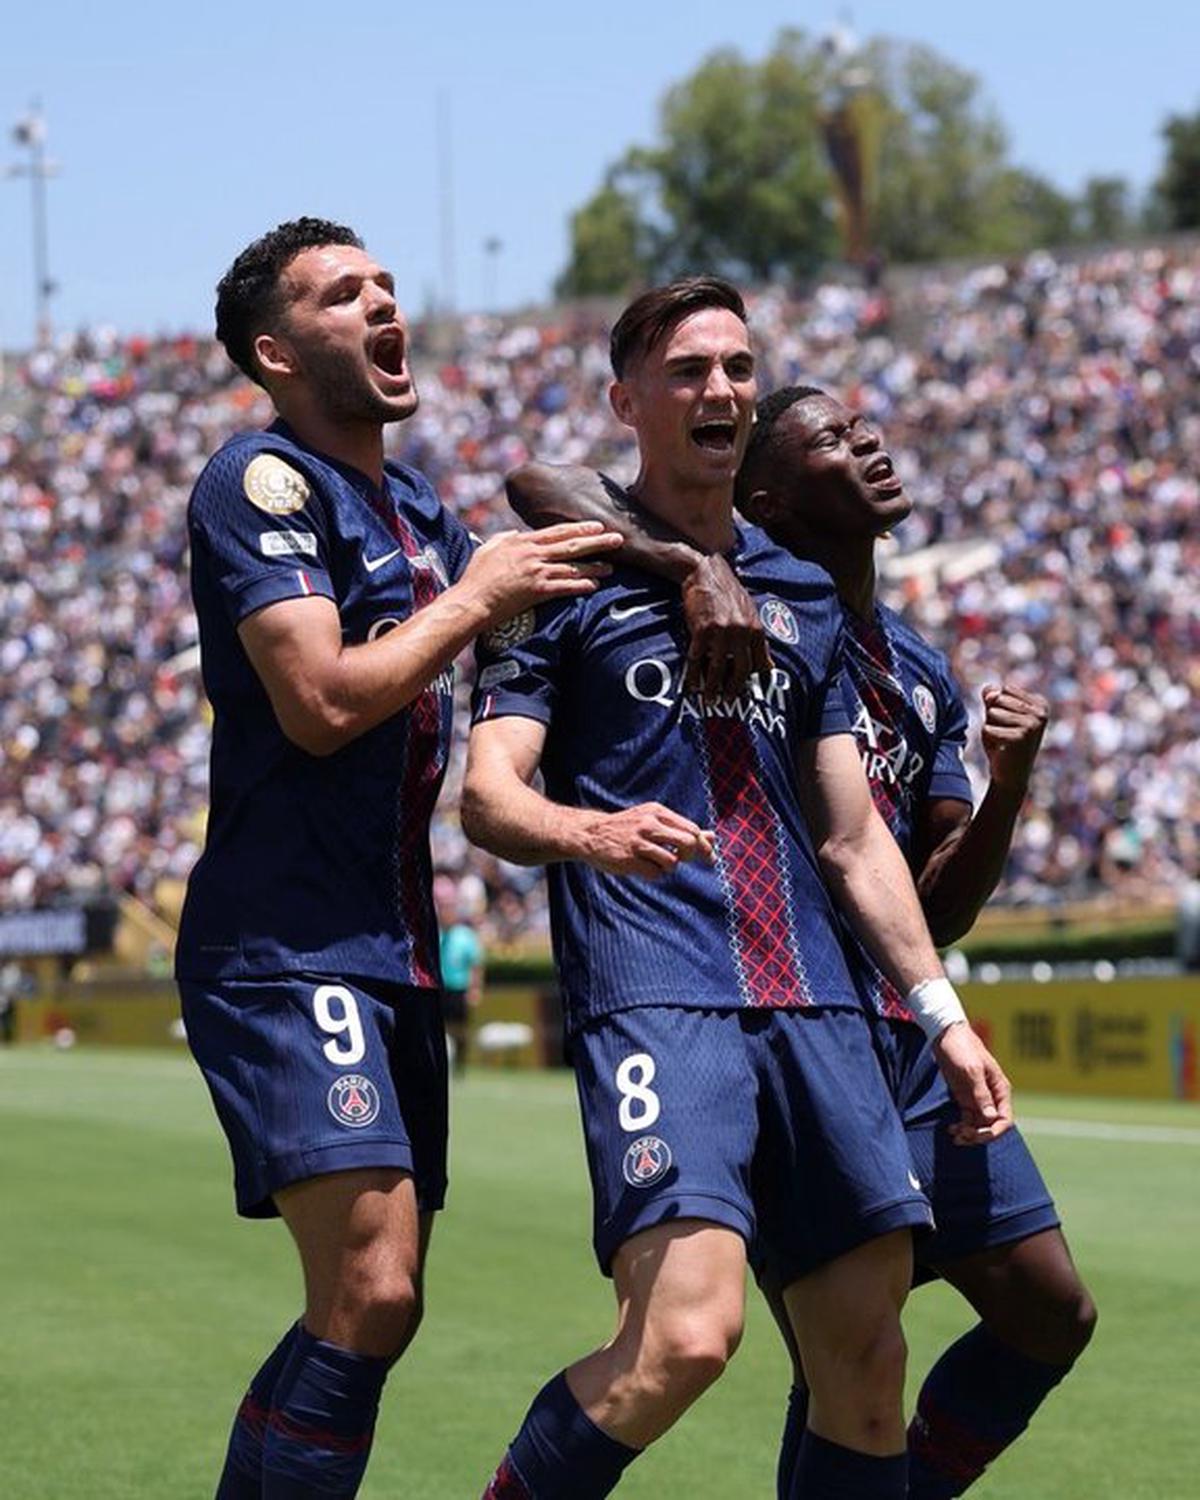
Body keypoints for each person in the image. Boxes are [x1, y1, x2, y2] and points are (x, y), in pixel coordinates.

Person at [463, 277, 1012, 1500]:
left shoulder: (803, 591)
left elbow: (855, 837)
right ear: (626, 401)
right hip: (663, 995)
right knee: (686, 1340)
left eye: (737, 368)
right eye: (688, 370)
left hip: (822, 1007)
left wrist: (943, 1014)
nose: (720, 389)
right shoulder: (561, 576)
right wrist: (594, 834)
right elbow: (488, 799)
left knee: (867, 1365)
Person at [174, 216, 624, 1500]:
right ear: (273, 351)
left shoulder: (418, 509)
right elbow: (319, 701)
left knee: (379, 1303)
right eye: (340, 294)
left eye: (383, 283)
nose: (383, 303)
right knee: (372, 1289)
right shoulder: (258, 483)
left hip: (392, 947)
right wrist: (479, 599)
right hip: (286, 940)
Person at [436, 880, 485, 1075]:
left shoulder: (465, 936)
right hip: (440, 988)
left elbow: (476, 965)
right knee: (441, 1027)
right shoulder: (436, 934)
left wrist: (475, 989)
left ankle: (460, 1066)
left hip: (459, 988)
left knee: (460, 1029)